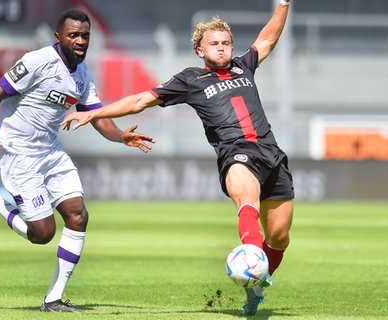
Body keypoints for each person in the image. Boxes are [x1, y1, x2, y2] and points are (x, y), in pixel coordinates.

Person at [62, 0, 294, 316]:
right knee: (247, 202)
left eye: (226, 43)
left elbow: (266, 39)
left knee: (279, 237)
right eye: (215, 44)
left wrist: (282, 4)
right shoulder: (190, 79)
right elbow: (142, 100)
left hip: (272, 154)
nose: (223, 48)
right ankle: (250, 257)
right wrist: (96, 113)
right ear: (200, 50)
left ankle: (255, 284)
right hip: (236, 155)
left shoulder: (244, 66)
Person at [0, 8, 155, 313]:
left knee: (78, 216)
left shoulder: (82, 76)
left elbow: (97, 117)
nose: (81, 41)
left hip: (51, 151)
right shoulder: (37, 61)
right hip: (19, 153)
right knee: (42, 234)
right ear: (58, 38)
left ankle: (53, 299)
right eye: (74, 35)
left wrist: (121, 136)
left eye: (85, 35)